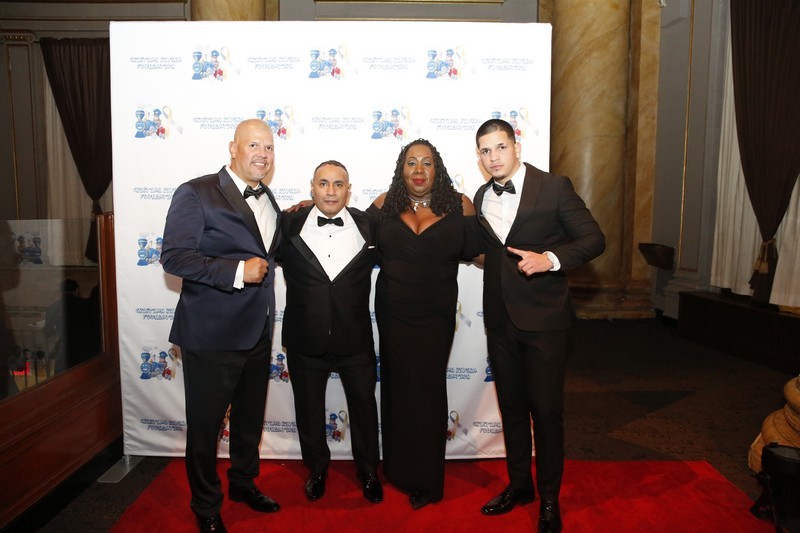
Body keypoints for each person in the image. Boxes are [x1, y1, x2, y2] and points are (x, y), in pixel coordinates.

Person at [472, 119, 605, 532]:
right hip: (500, 320)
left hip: (545, 321)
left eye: (500, 147)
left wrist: (550, 259)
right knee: (511, 409)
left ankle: (549, 499)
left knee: (546, 412)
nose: (493, 157)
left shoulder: (554, 187)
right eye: (485, 151)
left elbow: (594, 239)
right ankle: (519, 485)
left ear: (516, 146)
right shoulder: (481, 195)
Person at [161, 118, 282, 533]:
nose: (262, 154)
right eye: (253, 145)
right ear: (233, 148)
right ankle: (206, 505)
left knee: (249, 420)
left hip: (258, 330)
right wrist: (236, 271)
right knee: (206, 427)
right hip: (211, 334)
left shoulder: (270, 200)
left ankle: (243, 484)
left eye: (268, 147)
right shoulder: (196, 192)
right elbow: (174, 257)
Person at [367, 139, 480, 510]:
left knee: (428, 390)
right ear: (401, 169)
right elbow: (349, 233)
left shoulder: (460, 205)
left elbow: (482, 252)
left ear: (437, 169)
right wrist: (306, 210)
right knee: (397, 388)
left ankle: (427, 479)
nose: (418, 170)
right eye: (411, 162)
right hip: (394, 314)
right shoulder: (385, 204)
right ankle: (398, 470)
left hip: (435, 316)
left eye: (426, 163)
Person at [277, 160, 383, 505]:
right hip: (304, 337)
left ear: (349, 190)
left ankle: (368, 471)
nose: (331, 191)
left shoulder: (370, 225)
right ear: (312, 187)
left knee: (364, 409)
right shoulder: (287, 223)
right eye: (323, 183)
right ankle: (317, 469)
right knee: (309, 410)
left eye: (339, 184)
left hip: (355, 338)